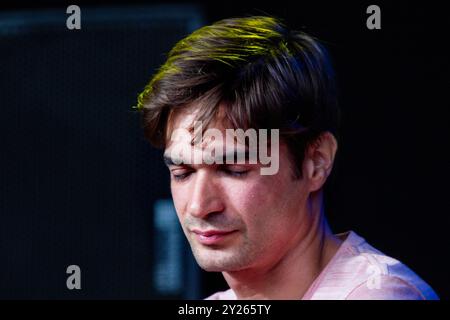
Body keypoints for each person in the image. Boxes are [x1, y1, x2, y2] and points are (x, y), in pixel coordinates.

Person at [135, 16, 438, 300]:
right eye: (183, 172)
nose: (200, 206)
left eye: (234, 169)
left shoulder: (377, 293)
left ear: (316, 161)